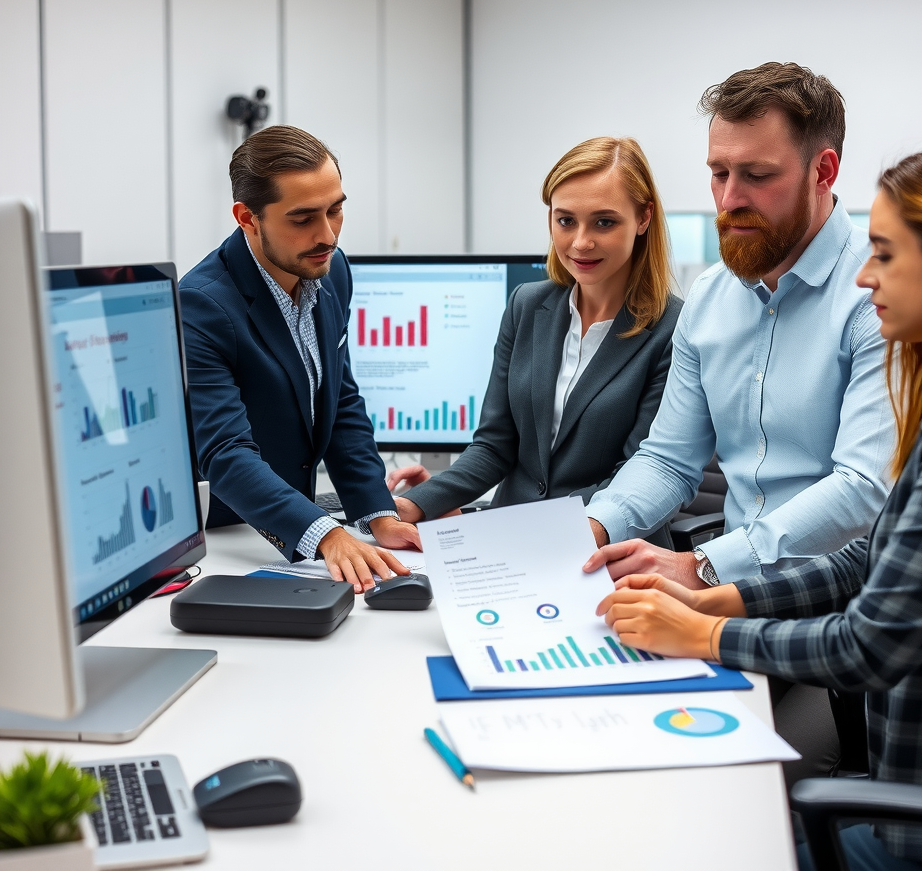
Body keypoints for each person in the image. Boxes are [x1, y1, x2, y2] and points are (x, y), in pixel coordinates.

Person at [599, 139, 922, 870]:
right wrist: (717, 598)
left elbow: (868, 643)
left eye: (886, 254)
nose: (864, 274)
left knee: (728, 847)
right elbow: (869, 560)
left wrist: (700, 635)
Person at [388, 137, 682, 526]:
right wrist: (415, 504)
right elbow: (494, 446)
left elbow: (638, 477)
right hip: (505, 542)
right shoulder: (527, 305)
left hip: (605, 545)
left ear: (643, 218)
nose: (580, 242)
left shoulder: (673, 328)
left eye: (604, 222)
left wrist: (535, 534)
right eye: (566, 221)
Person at [179, 125, 419, 592]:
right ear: (248, 217)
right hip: (233, 536)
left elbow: (341, 400)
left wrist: (376, 513)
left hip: (304, 525)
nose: (326, 234)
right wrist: (325, 533)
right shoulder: (202, 305)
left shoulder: (331, 269)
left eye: (336, 210)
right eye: (303, 218)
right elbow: (223, 453)